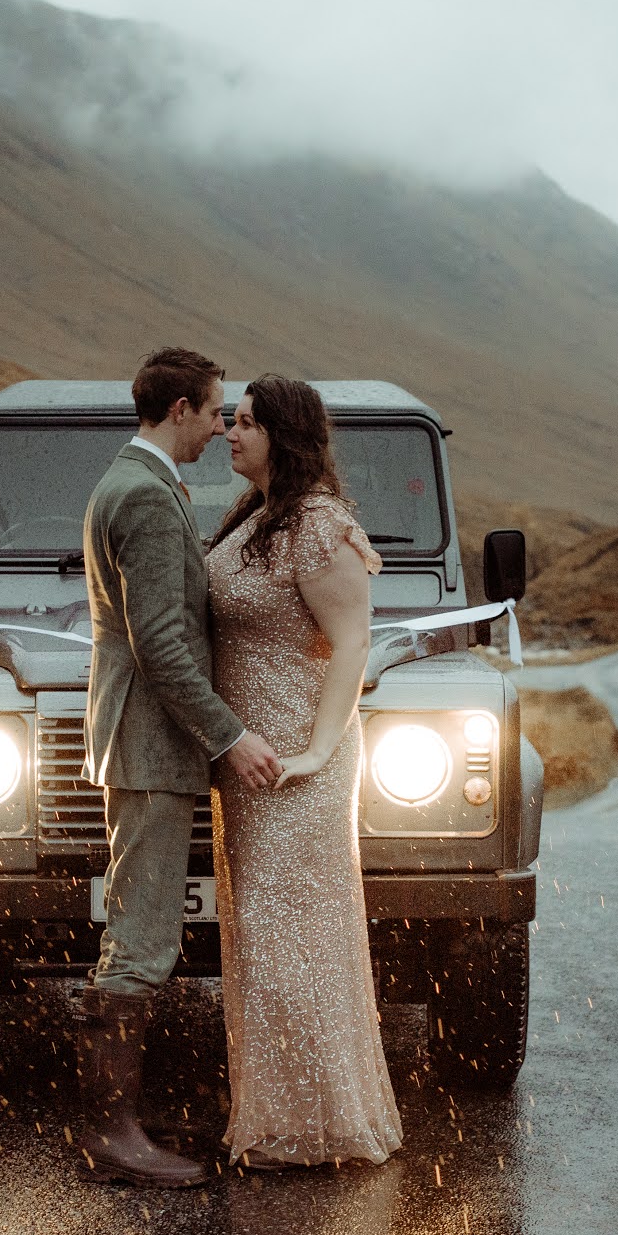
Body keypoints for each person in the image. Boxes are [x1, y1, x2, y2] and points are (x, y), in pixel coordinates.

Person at [78, 347, 283, 1188]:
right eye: (213, 411)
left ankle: (117, 1120)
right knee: (142, 936)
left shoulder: (128, 483)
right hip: (154, 745)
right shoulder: (148, 498)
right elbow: (162, 642)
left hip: (139, 741)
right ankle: (110, 1134)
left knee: (140, 925)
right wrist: (229, 735)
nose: (220, 426)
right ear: (176, 409)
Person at [207, 374, 404, 1169]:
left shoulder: (321, 524)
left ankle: (318, 1125)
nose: (231, 432)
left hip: (295, 761)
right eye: (230, 420)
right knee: (263, 937)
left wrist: (321, 751)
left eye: (248, 423)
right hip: (254, 765)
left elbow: (352, 641)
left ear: (283, 435)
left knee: (292, 936)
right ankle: (285, 1117)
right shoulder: (257, 515)